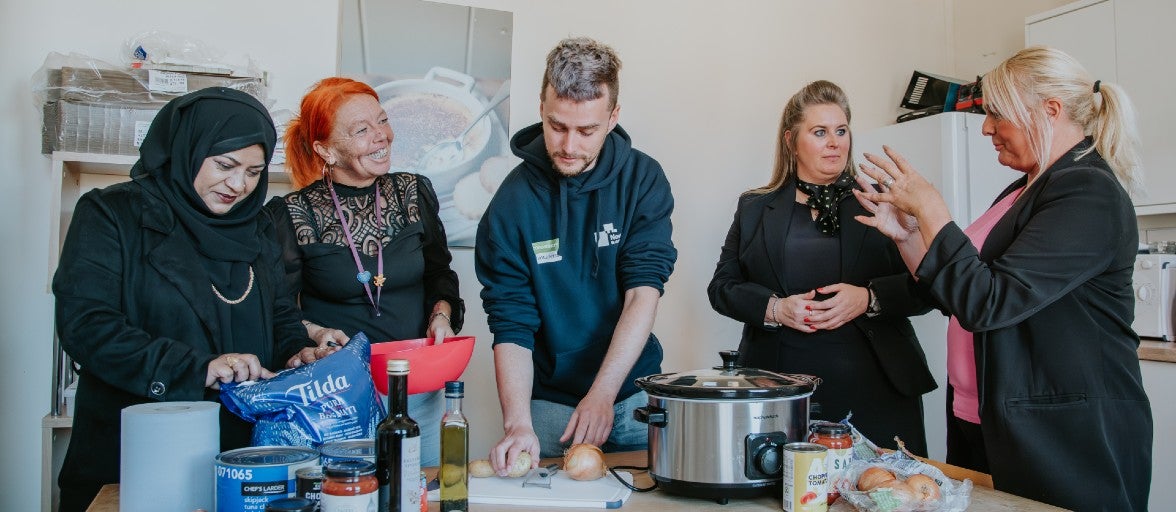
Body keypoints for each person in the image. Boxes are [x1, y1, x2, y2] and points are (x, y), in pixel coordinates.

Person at [854, 46, 1152, 511]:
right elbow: (958, 294)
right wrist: (909, 236)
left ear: (1049, 110)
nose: (986, 127)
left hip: (1062, 435)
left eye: (997, 113)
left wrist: (932, 209)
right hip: (985, 415)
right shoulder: (1023, 189)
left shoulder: (1088, 191)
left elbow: (989, 303)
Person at [52, 87, 323, 511]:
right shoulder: (114, 214)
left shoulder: (257, 226)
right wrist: (197, 368)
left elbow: (280, 315)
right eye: (225, 165)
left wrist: (298, 352)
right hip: (139, 453)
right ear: (187, 149)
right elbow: (86, 326)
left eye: (254, 172)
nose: (239, 185)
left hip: (241, 457)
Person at [475, 36, 677, 473]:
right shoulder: (512, 203)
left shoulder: (643, 179)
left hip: (633, 391)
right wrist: (517, 424)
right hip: (552, 405)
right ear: (541, 108)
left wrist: (603, 393)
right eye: (557, 126)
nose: (569, 145)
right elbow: (511, 321)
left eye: (586, 131)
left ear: (613, 117)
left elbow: (642, 293)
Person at [707, 80, 937, 455]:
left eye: (841, 131)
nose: (835, 142)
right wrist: (776, 308)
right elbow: (722, 288)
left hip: (879, 390)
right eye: (820, 132)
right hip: (780, 392)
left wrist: (869, 298)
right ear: (791, 141)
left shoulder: (884, 201)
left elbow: (928, 288)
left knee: (885, 487)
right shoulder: (754, 207)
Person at [265, 77, 464, 466]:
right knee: (349, 490)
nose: (381, 136)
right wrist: (315, 333)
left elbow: (439, 274)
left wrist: (441, 314)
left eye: (382, 121)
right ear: (325, 149)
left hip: (418, 388)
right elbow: (277, 308)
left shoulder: (413, 193)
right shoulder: (292, 213)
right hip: (339, 396)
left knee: (421, 488)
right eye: (361, 130)